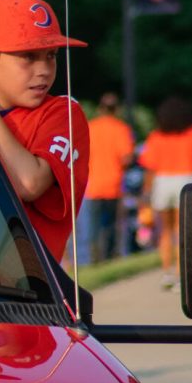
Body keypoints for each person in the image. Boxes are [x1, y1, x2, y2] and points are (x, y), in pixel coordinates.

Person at [0, 0, 90, 263]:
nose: (44, 69)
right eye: (28, 57)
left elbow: (28, 182)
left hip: (22, 294)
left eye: (51, 56)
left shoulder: (62, 113)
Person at [139, 96, 192, 290]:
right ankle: (181, 275)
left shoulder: (156, 137)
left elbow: (150, 169)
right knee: (184, 231)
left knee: (165, 229)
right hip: (189, 180)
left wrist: (146, 193)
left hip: (163, 182)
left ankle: (167, 272)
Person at [83, 92, 134, 262]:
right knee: (111, 225)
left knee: (94, 226)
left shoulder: (90, 127)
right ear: (116, 109)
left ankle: (94, 258)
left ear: (100, 108)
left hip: (93, 184)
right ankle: (110, 256)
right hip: (113, 184)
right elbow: (126, 157)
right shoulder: (121, 129)